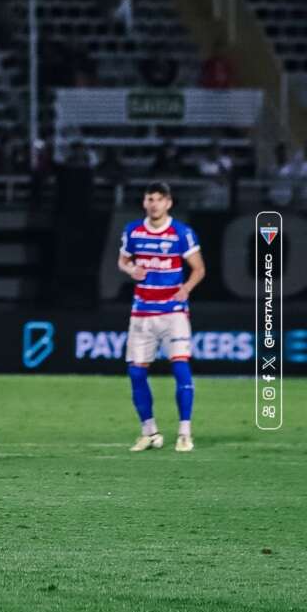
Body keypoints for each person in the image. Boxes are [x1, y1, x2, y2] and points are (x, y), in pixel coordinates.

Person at [118, 182, 206, 453]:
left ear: (168, 202)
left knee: (180, 367)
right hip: (142, 312)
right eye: (149, 199)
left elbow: (199, 268)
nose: (153, 204)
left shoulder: (181, 233)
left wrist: (186, 288)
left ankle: (184, 433)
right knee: (135, 372)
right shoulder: (133, 230)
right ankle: (150, 432)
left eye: (158, 199)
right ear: (144, 202)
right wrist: (131, 270)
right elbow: (123, 261)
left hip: (173, 312)